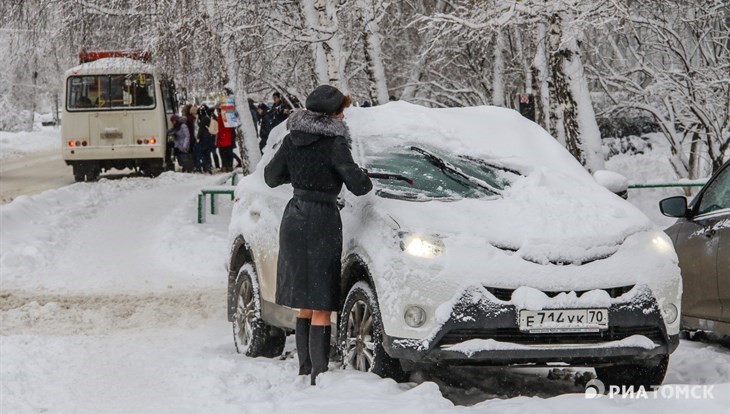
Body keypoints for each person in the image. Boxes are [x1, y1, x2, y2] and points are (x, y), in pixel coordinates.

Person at [264, 85, 373, 386]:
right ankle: (319, 377)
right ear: (333, 114)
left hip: (294, 216)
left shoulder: (291, 139)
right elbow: (360, 186)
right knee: (322, 301)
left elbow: (271, 177)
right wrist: (359, 174)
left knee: (305, 302)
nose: (344, 114)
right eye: (342, 110)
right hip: (322, 218)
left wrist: (299, 176)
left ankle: (304, 371)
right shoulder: (335, 143)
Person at [195, 105, 216, 173]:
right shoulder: (207, 118)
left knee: (204, 153)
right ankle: (208, 166)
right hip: (209, 137)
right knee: (207, 153)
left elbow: (201, 130)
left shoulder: (203, 119)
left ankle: (206, 167)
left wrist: (198, 138)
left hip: (204, 138)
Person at [216, 106, 236, 172]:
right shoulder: (228, 116)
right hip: (229, 138)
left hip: (222, 138)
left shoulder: (219, 117)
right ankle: (230, 166)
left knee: (223, 154)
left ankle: (224, 166)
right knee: (229, 153)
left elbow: (219, 127)